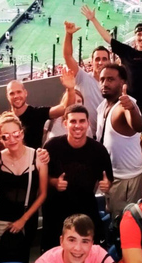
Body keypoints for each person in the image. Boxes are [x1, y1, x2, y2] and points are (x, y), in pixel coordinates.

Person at [43, 105, 113, 251]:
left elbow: (108, 178)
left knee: (94, 251)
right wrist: (54, 182)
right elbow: (41, 178)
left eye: (82, 121)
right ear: (65, 123)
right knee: (55, 253)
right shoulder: (51, 146)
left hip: (86, 208)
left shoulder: (98, 150)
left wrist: (107, 184)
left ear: (88, 123)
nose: (78, 125)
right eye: (73, 121)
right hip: (56, 211)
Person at [0, 112, 48, 263]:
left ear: (21, 134)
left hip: (27, 217)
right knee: (1, 257)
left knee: (22, 257)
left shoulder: (38, 158)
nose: (11, 139)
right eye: (5, 136)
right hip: (2, 217)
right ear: (1, 138)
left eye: (15, 134)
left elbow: (42, 194)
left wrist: (23, 219)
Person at [96, 64, 142, 219]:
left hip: (126, 179)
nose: (105, 83)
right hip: (112, 176)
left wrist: (131, 108)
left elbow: (137, 126)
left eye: (110, 79)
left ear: (123, 83)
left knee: (124, 221)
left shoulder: (126, 105)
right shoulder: (103, 105)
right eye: (102, 79)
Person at [6, 68, 75, 149]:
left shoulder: (37, 114)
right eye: (12, 93)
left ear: (25, 93)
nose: (16, 96)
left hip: (33, 160)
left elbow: (65, 108)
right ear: (7, 96)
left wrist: (70, 89)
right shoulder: (5, 119)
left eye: (19, 92)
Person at [63, 20, 109, 136]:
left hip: (107, 135)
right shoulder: (83, 78)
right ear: (92, 62)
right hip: (86, 134)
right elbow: (67, 56)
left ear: (109, 61)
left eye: (104, 59)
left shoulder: (114, 83)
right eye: (97, 59)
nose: (100, 62)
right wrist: (69, 35)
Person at [36, 214, 115, 263]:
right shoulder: (45, 262)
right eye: (72, 240)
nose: (78, 248)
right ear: (61, 241)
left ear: (91, 244)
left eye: (85, 241)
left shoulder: (97, 253)